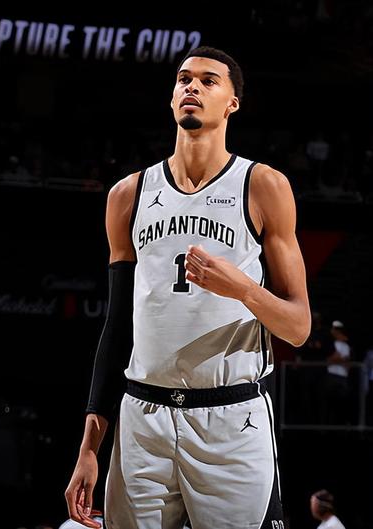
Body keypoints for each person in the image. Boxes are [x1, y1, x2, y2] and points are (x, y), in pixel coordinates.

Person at [65, 46, 311, 529]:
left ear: (232, 103)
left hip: (231, 418)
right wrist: (89, 448)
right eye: (183, 79)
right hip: (142, 420)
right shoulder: (128, 195)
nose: (192, 86)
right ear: (172, 96)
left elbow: (299, 327)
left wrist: (244, 290)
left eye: (208, 80)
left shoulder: (262, 185)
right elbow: (116, 329)